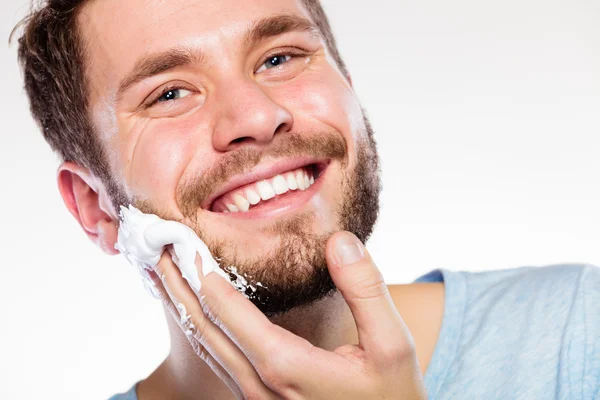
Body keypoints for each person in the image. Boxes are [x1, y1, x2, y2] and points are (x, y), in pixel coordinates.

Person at [14, 0, 599, 398]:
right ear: (95, 209)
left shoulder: (581, 327)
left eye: (278, 58)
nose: (259, 117)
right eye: (169, 93)